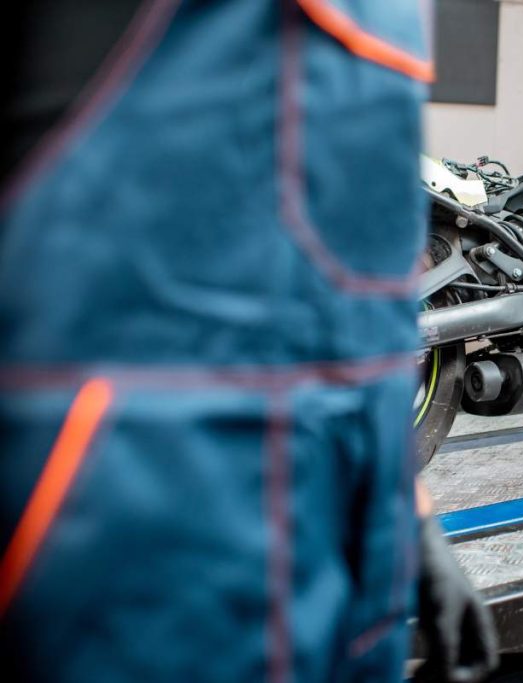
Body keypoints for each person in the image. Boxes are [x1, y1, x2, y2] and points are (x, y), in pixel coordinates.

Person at [0, 1, 495, 680]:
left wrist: (412, 518)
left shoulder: (393, 14)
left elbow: (357, 327)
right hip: (118, 581)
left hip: (345, 589)